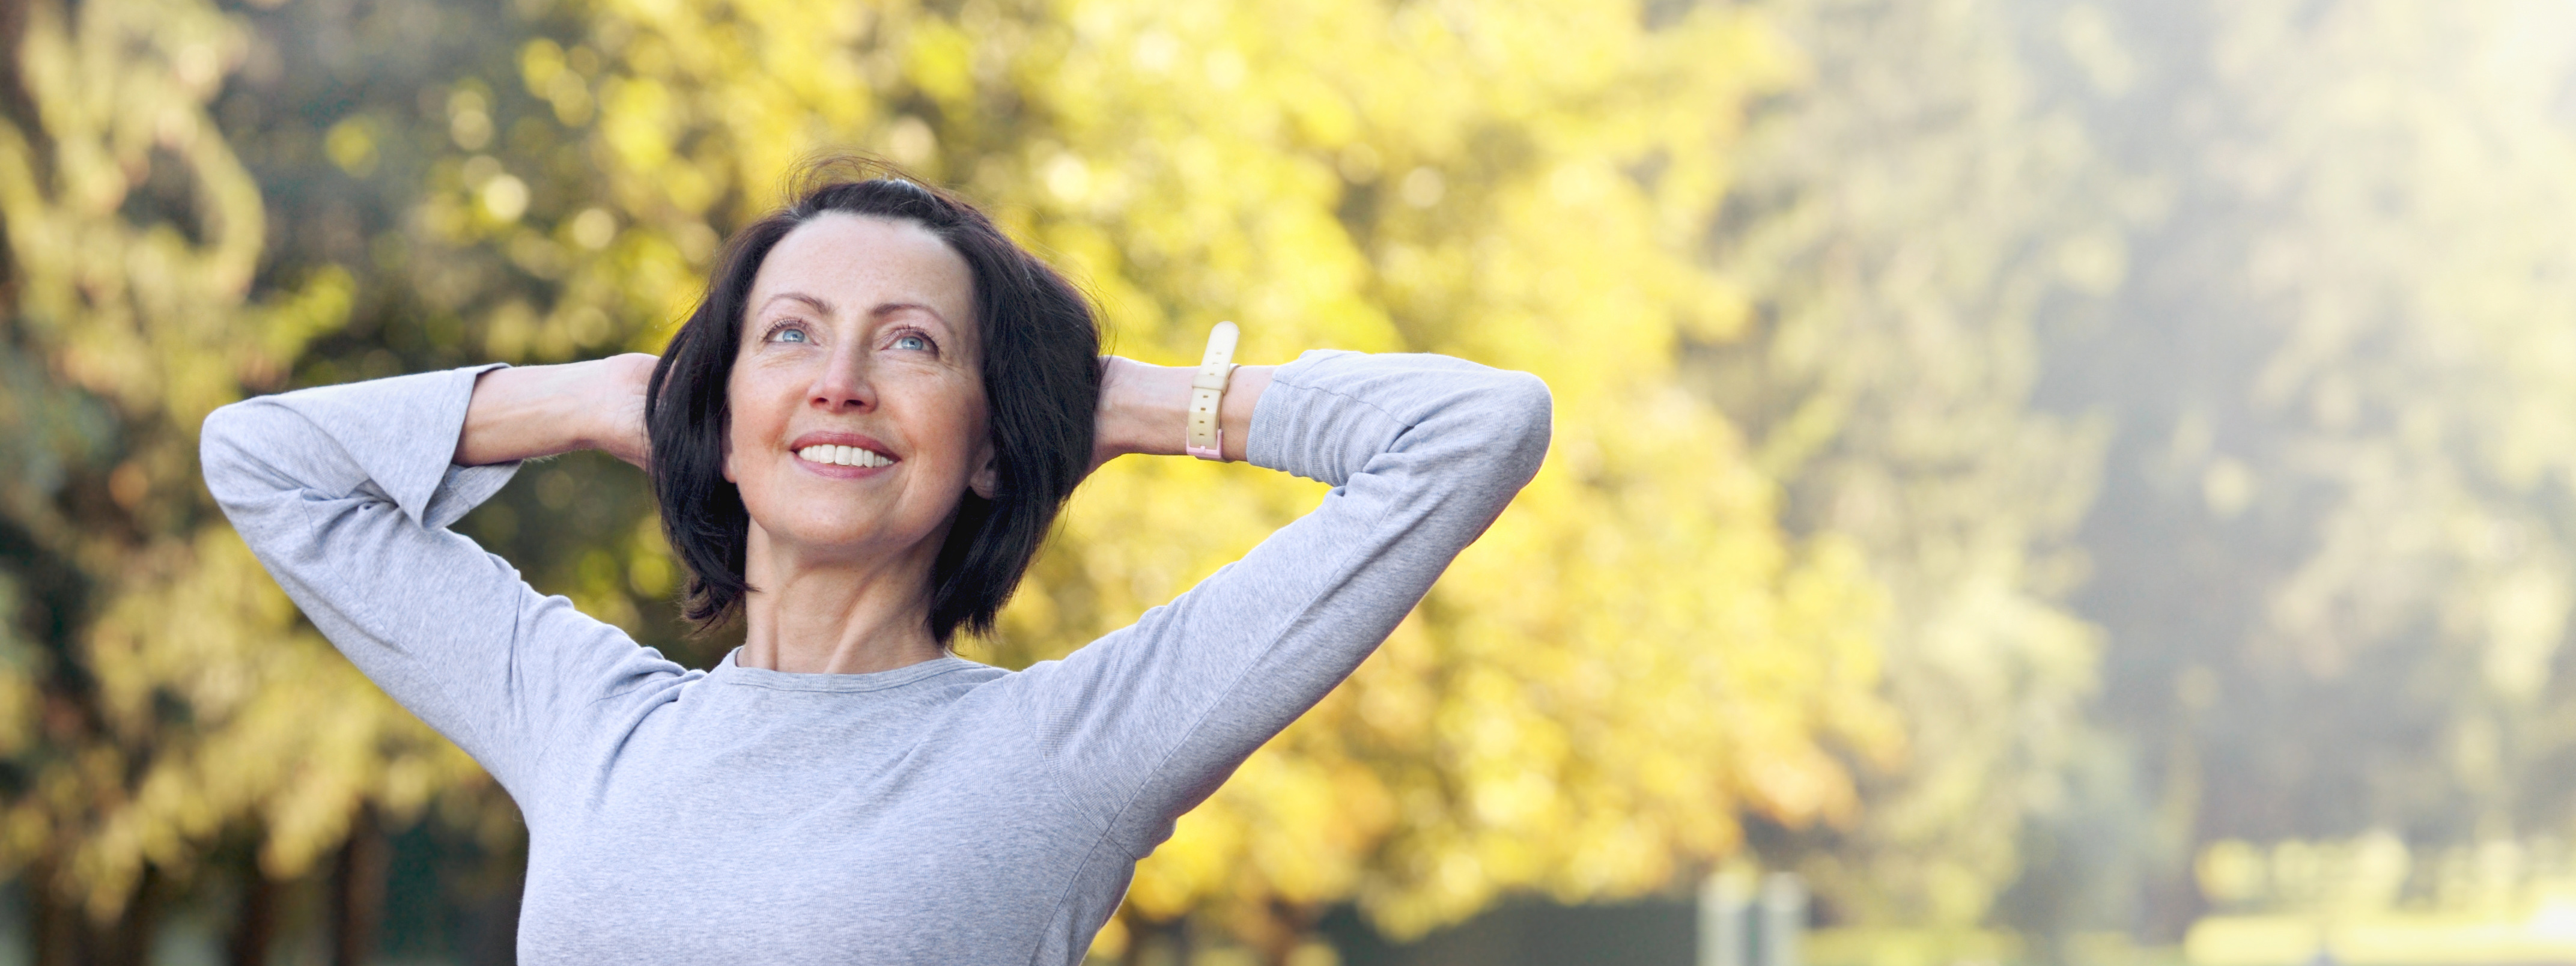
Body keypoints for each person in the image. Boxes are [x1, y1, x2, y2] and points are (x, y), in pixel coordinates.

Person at [201, 166, 1551, 964]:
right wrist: (601, 395)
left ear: (983, 444)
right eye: (788, 337)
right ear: (720, 418)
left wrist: (1114, 401)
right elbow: (264, 461)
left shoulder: (1066, 754)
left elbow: (1472, 430)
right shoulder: (588, 720)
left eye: (910, 345)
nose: (840, 383)